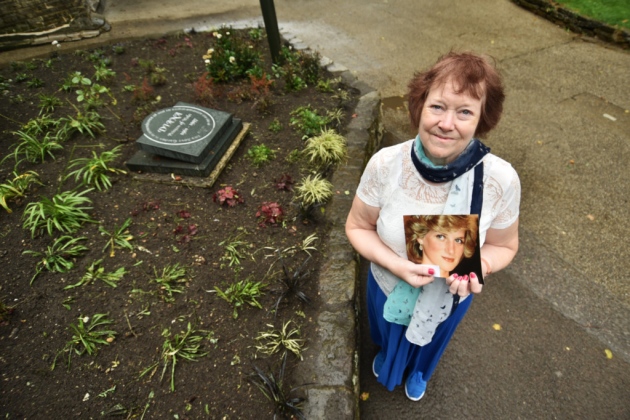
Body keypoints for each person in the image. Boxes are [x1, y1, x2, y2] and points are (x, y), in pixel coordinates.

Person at [345, 51, 520, 401]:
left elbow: (504, 246)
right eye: (438, 107)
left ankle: (420, 371)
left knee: (431, 342)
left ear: (482, 118)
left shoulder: (501, 180)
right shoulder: (386, 164)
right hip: (387, 285)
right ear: (420, 106)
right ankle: (387, 356)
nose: (446, 123)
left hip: (448, 301)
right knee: (386, 332)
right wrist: (398, 265)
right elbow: (358, 227)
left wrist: (480, 265)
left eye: (465, 112)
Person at [404, 215, 478, 279]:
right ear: (420, 237)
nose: (451, 250)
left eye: (458, 240)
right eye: (441, 237)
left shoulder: (464, 289)